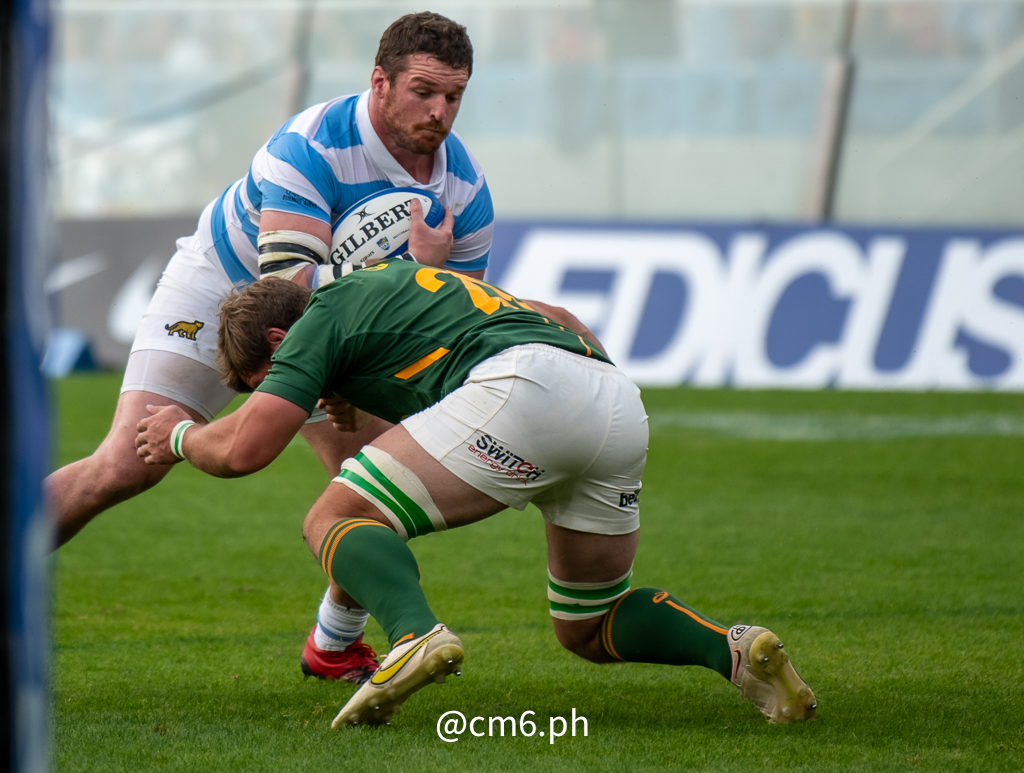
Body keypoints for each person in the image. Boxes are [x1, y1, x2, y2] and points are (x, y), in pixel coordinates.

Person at [135, 265, 818, 729]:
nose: (283, 391)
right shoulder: (389, 288)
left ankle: (412, 636)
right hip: (609, 396)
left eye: (269, 378)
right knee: (588, 623)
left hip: (523, 388)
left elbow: (245, 449)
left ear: (283, 341)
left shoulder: (319, 320)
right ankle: (736, 651)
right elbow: (557, 315)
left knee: (335, 515)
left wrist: (177, 435)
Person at [47, 12, 495, 685]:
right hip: (222, 294)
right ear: (380, 82)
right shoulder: (313, 143)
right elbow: (284, 294)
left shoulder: (465, 190)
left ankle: (334, 644)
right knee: (125, 464)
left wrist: (382, 350)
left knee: (381, 487)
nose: (440, 112)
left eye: (454, 96)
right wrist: (351, 360)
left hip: (334, 329)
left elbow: (445, 324)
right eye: (424, 91)